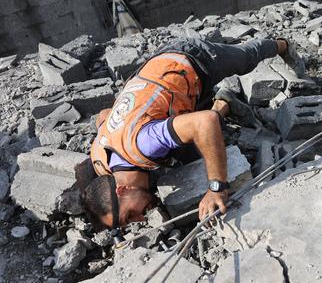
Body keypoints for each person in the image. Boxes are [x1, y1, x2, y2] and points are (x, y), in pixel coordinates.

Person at [80, 36, 302, 231]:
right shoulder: (101, 162)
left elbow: (206, 122)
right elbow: (104, 115)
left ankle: (281, 44)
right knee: (201, 152)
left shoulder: (144, 143)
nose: (140, 218)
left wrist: (217, 188)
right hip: (178, 93)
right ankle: (224, 101)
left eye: (129, 215)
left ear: (121, 189)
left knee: (246, 57)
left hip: (189, 60)